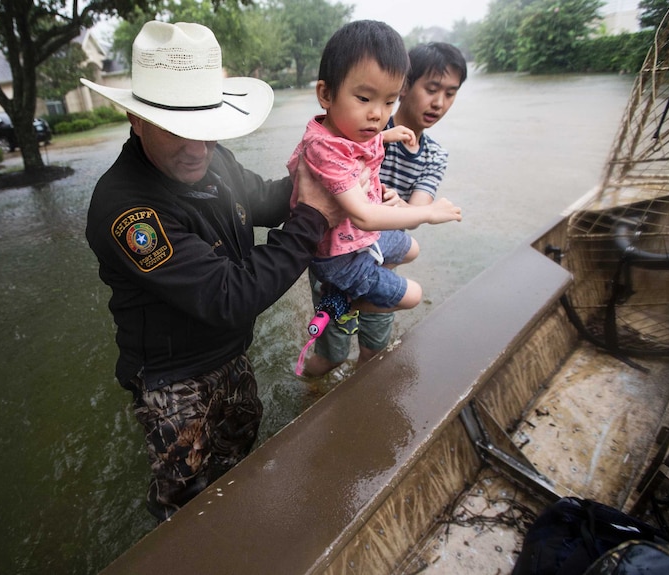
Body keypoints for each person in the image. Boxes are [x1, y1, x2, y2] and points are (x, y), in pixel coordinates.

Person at [80, 21, 350, 521]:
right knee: (185, 505)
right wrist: (313, 219)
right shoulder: (128, 212)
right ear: (135, 119)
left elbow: (265, 200)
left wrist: (322, 166)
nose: (197, 148)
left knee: (238, 457)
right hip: (173, 378)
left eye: (206, 129)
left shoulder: (210, 157)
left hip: (230, 351)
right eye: (176, 129)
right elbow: (228, 295)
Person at [288, 21, 462, 374]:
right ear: (409, 85)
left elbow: (411, 209)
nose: (439, 103)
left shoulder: (402, 141)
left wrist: (410, 205)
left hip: (371, 246)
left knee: (374, 355)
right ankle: (338, 311)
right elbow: (367, 208)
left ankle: (353, 303)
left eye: (451, 93)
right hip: (341, 251)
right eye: (431, 88)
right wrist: (424, 214)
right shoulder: (357, 126)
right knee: (334, 353)